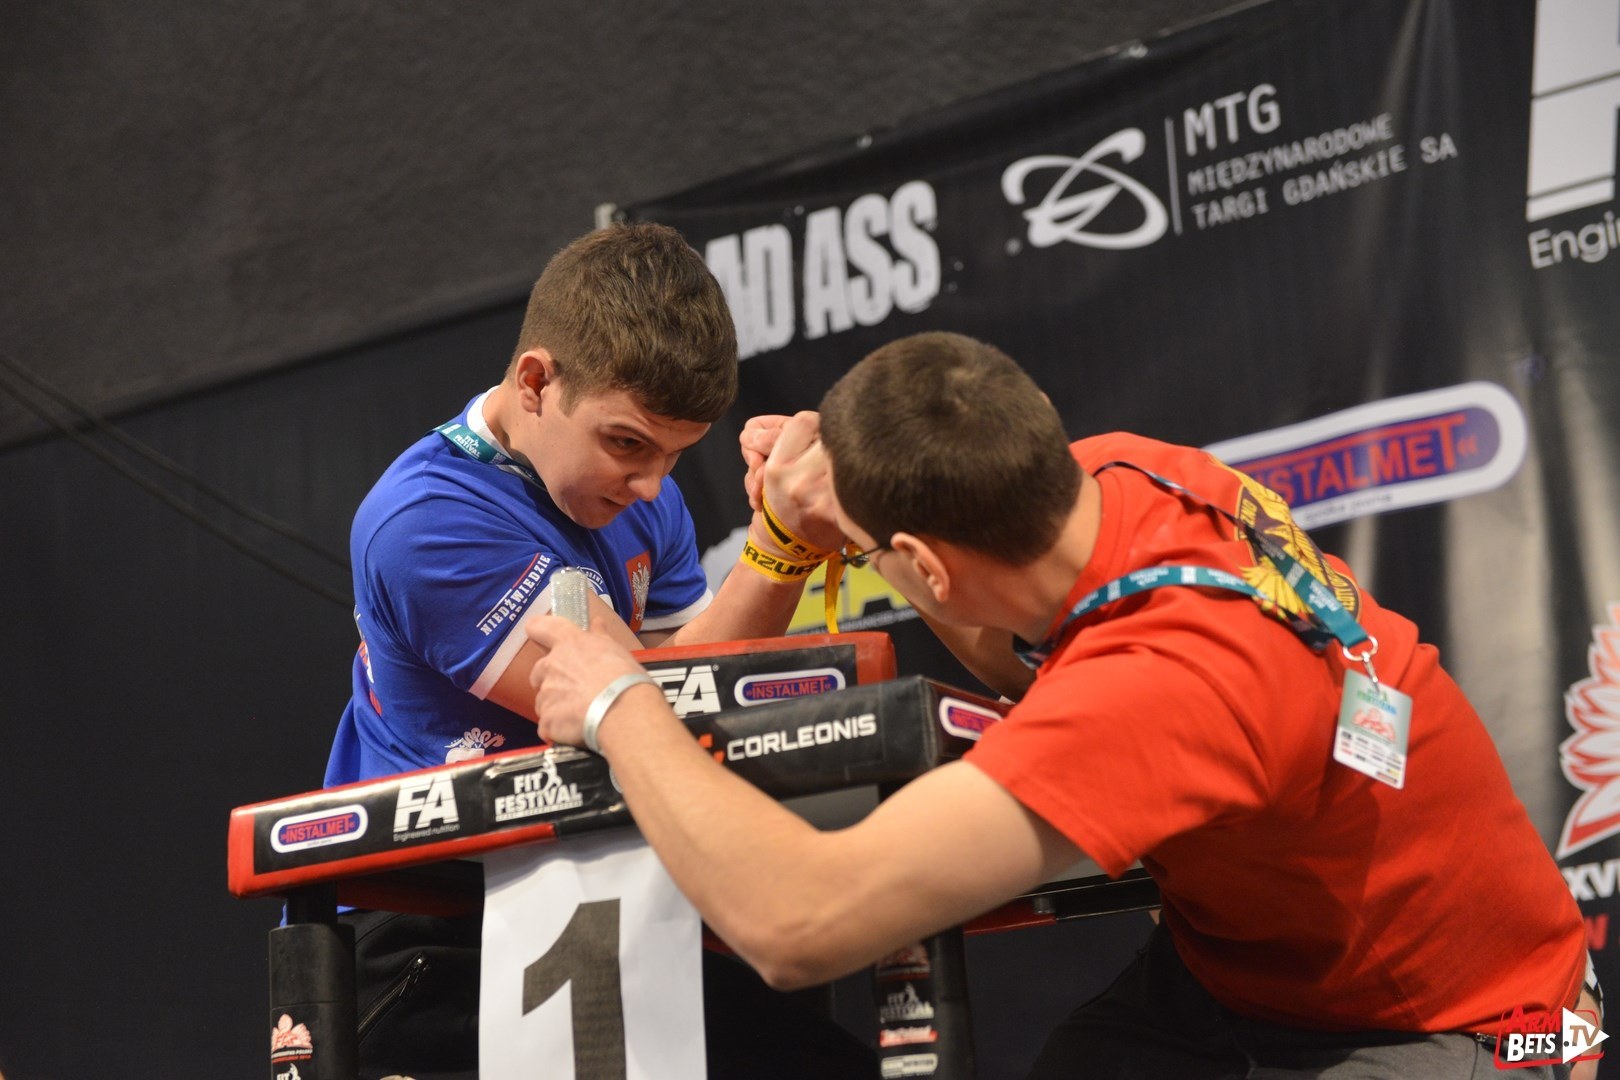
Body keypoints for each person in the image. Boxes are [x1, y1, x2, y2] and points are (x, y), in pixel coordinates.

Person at [526, 331, 1597, 1079]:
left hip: (1499, 1031)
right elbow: (1007, 633)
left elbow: (798, 925)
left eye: (877, 553)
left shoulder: (1162, 689)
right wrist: (863, 521)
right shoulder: (1128, 475)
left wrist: (621, 702)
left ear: (922, 564)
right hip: (1253, 979)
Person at [326, 222, 872, 1080]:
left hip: (592, 894)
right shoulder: (423, 520)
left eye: (676, 455)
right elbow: (631, 702)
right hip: (432, 934)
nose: (652, 486)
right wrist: (778, 544)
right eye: (627, 444)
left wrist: (784, 537)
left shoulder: (637, 495)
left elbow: (698, 680)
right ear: (535, 382)